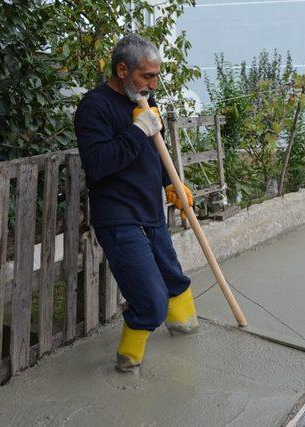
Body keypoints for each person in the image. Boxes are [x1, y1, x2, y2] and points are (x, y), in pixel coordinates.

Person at [74, 34, 198, 373]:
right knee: (151, 302)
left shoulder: (143, 98)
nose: (153, 83)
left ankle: (186, 327)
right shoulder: (94, 107)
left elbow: (151, 154)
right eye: (146, 75)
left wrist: (172, 184)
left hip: (150, 210)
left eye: (157, 75)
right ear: (122, 69)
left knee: (173, 277)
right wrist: (137, 130)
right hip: (118, 217)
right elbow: (97, 164)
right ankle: (128, 358)